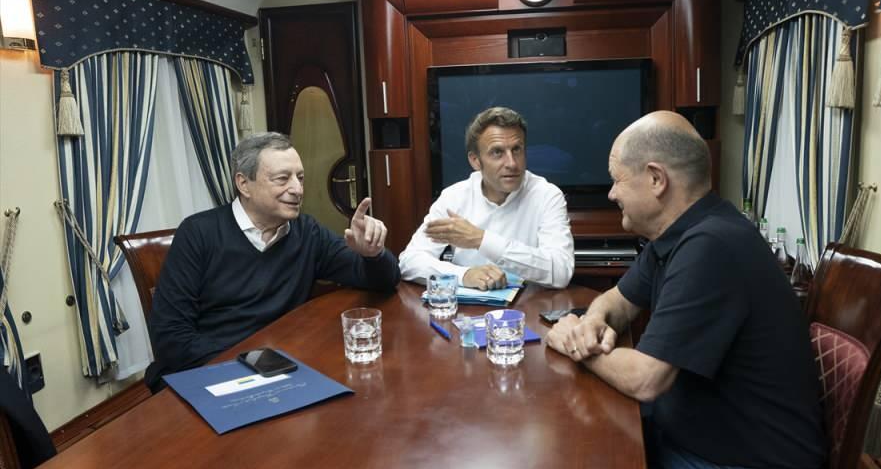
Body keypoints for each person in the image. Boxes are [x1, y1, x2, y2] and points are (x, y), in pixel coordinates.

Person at [545, 111, 825, 469]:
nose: (611, 193)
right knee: (570, 461)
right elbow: (616, 300)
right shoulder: (680, 233)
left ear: (656, 179)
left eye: (618, 180)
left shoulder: (711, 246)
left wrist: (575, 344)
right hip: (700, 443)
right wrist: (592, 323)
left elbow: (646, 379)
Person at [145, 132, 400, 392]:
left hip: (282, 369)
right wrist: (254, 363)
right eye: (282, 179)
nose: (297, 189)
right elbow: (170, 336)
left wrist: (373, 253)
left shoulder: (306, 232)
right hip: (211, 372)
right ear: (244, 184)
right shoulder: (198, 233)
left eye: (300, 177)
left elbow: (385, 281)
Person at [399, 106, 574, 290]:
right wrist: (464, 275)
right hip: (467, 307)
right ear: (475, 160)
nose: (512, 163)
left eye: (516, 149)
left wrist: (481, 240)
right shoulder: (454, 198)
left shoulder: (547, 195)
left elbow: (560, 271)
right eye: (497, 152)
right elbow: (410, 261)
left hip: (531, 305)